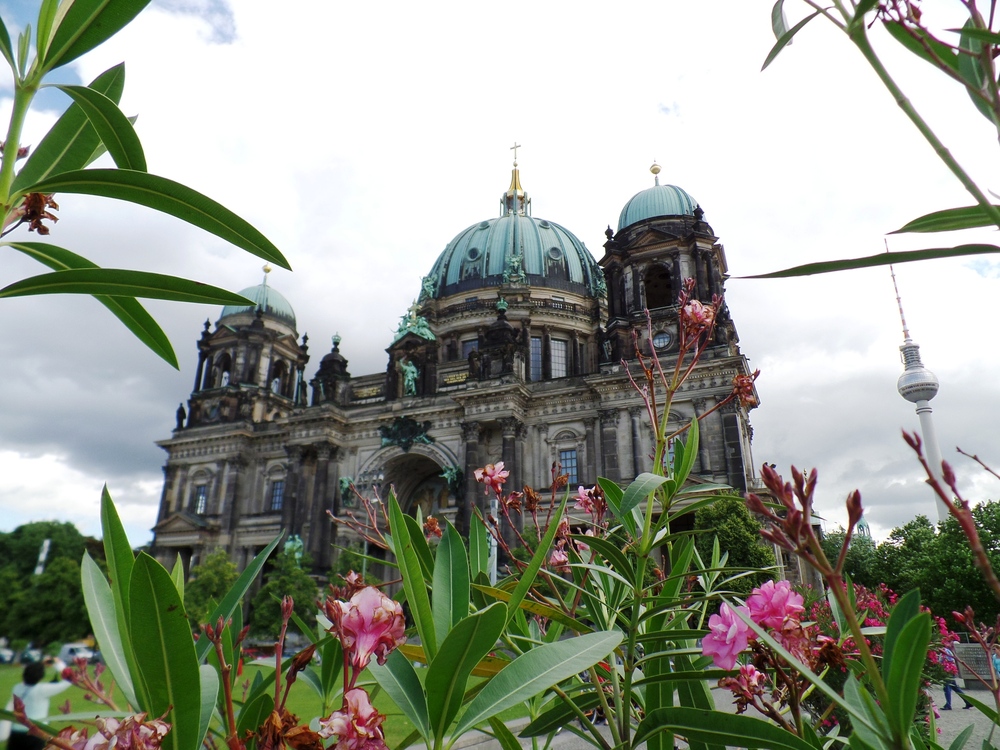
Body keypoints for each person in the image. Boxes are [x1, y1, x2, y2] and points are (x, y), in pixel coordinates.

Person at [2, 658, 71, 750]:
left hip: (16, 732)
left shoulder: (17, 688)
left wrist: (39, 665)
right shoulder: (43, 690)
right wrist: (59, 664)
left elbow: (28, 678)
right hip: (36, 732)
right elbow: (69, 680)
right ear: (41, 676)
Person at [941, 640, 972, 710]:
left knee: (947, 687)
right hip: (950, 671)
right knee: (955, 688)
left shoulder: (945, 650)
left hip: (948, 671)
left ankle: (948, 705)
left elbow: (950, 660)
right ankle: (968, 701)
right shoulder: (947, 650)